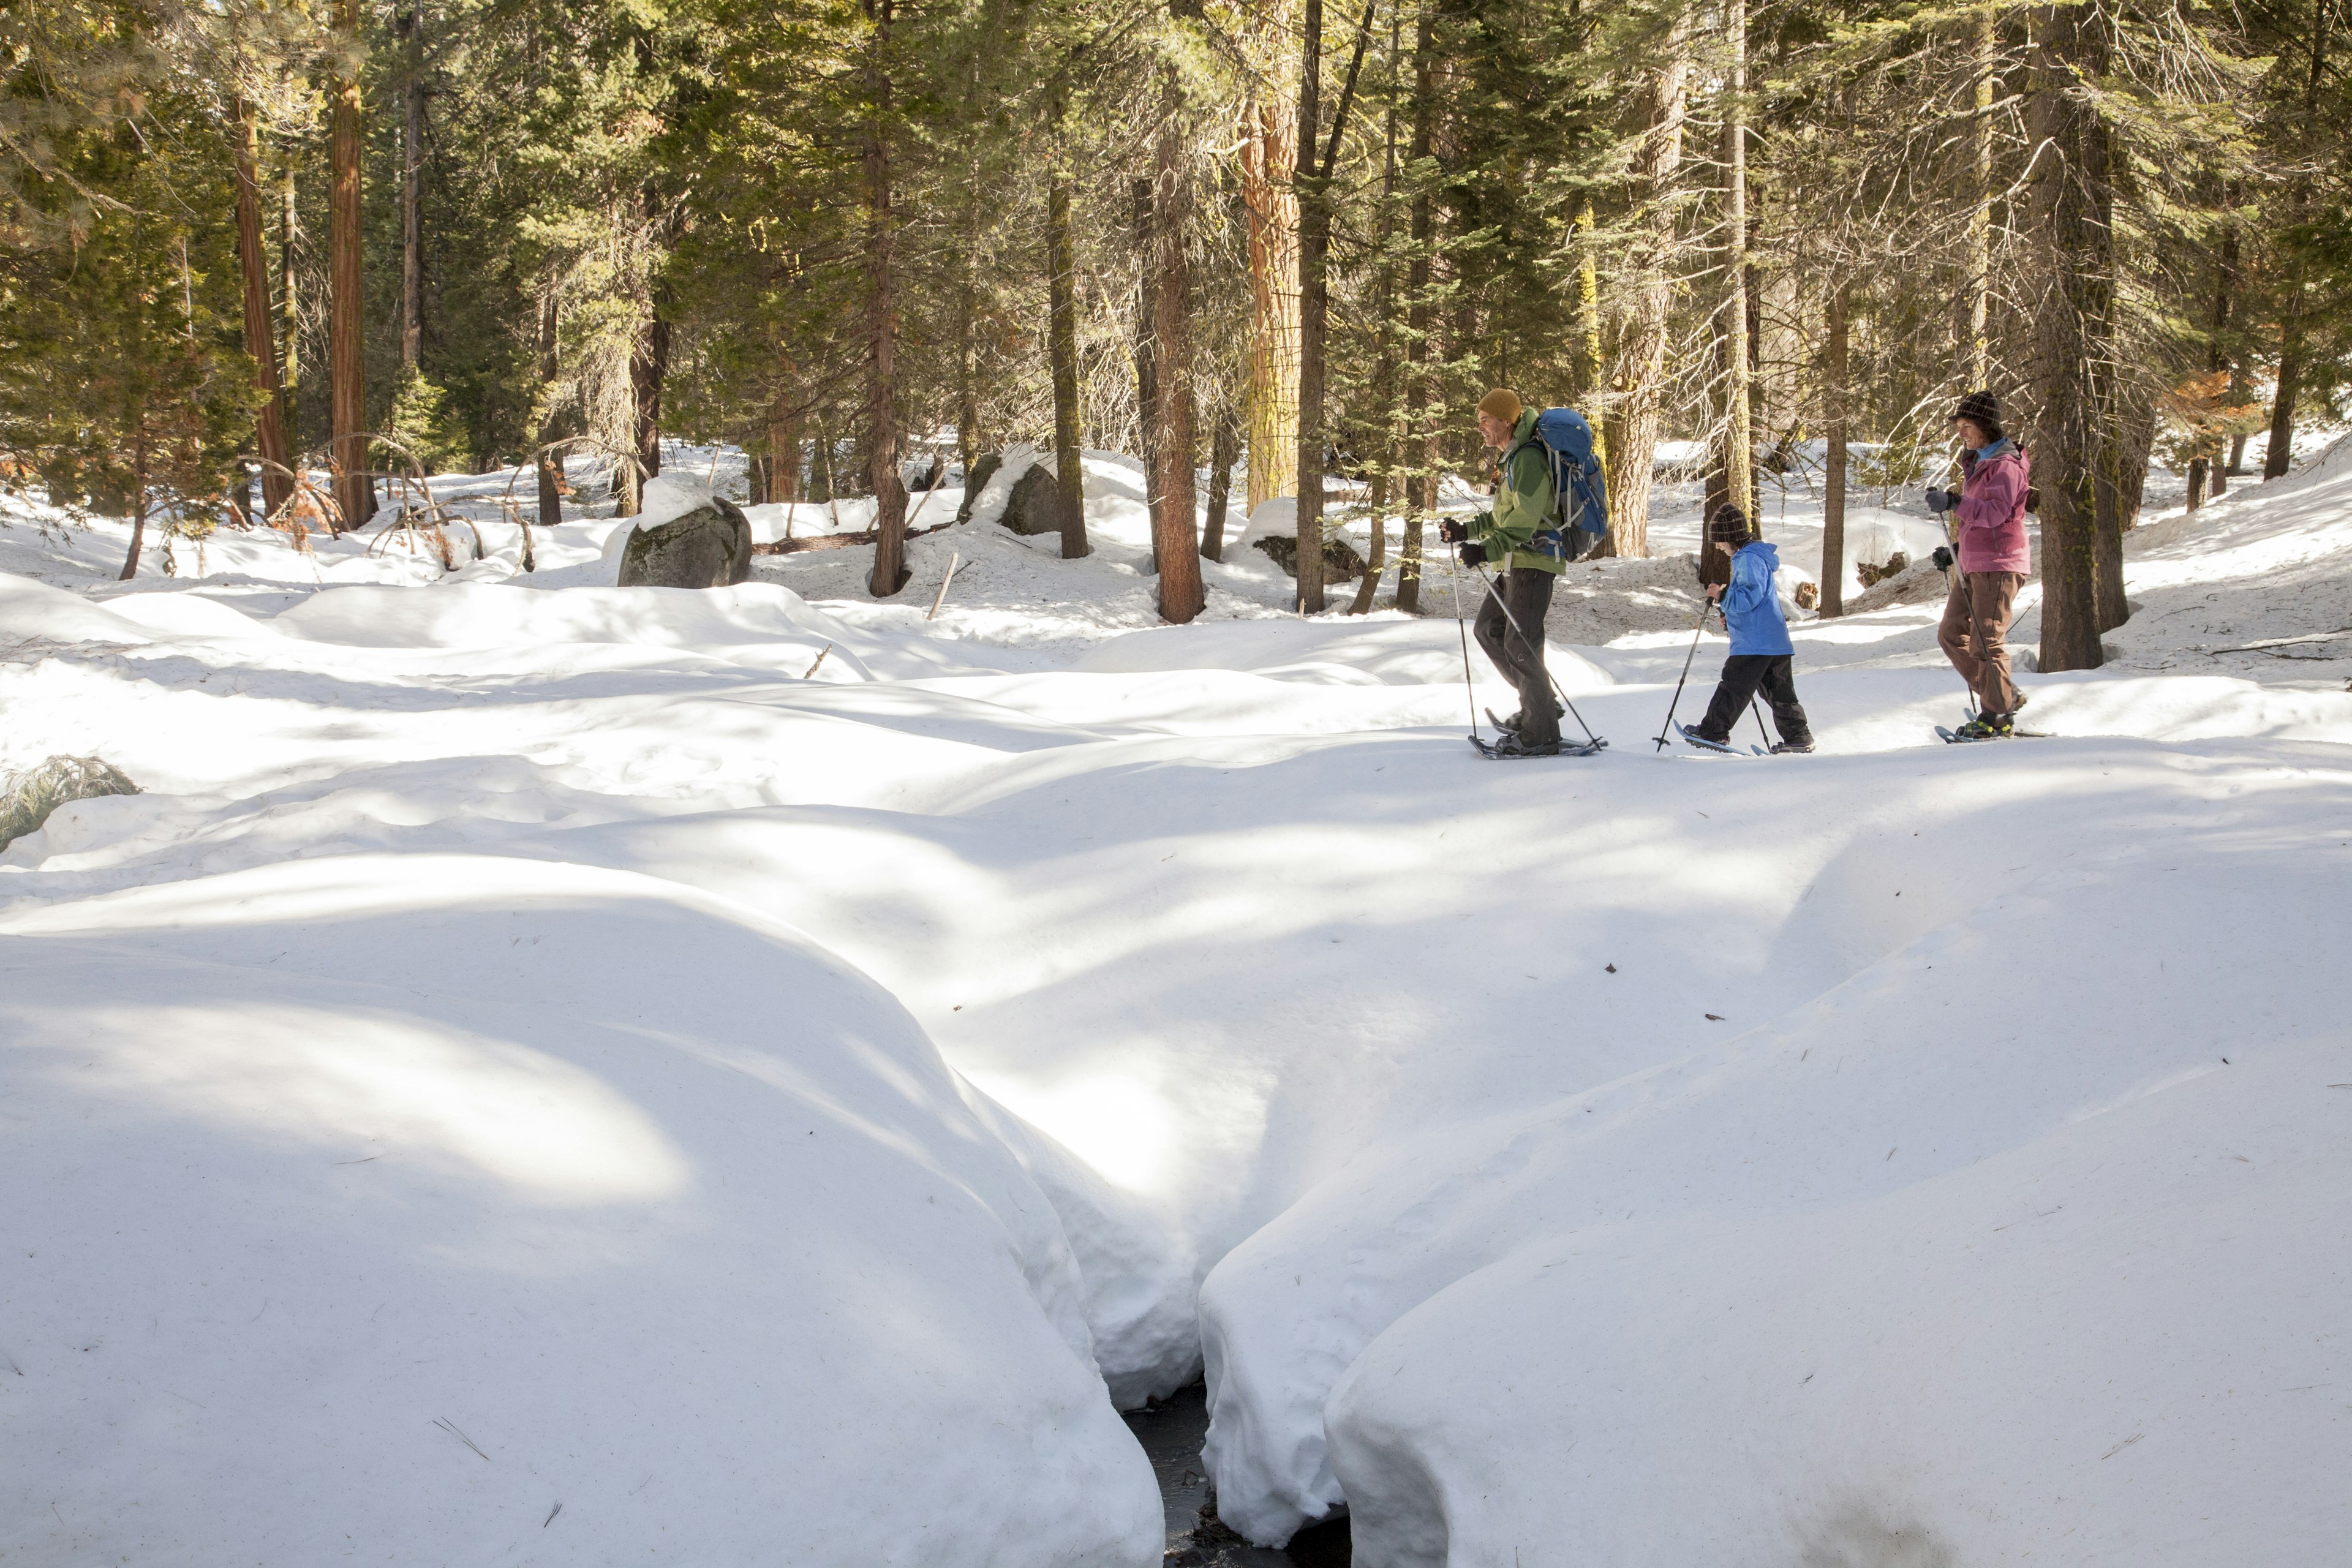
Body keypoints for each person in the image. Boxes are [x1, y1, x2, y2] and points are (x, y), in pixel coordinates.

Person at [1437, 388, 1568, 756]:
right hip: (1513, 563)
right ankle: (1539, 706)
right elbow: (1501, 518)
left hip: (1532, 563)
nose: (1479, 426)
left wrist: (1486, 549)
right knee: (1488, 630)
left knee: (1519, 645)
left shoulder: (1528, 460)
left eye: (1485, 419)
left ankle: (1540, 734)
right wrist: (1467, 532)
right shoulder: (1512, 460)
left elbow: (1524, 524)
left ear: (1506, 420)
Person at [1926, 389, 2032, 739]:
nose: (1961, 433)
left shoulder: (2005, 466)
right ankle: (2002, 695)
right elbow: (1980, 521)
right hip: (1976, 563)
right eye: (1959, 426)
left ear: (1985, 426)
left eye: (1966, 425)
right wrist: (1956, 549)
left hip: (2000, 565)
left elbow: (1997, 514)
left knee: (1986, 641)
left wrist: (1954, 502)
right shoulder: (1982, 463)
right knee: (1951, 635)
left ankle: (1996, 716)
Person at [1679, 502, 1815, 755]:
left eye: (1720, 541)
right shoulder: (1755, 558)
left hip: (1755, 642)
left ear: (1731, 537)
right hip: (1773, 640)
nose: (1718, 547)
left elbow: (1749, 597)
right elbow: (1756, 602)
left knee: (1733, 686)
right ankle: (1799, 737)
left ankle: (1713, 732)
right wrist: (1729, 615)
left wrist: (1722, 595)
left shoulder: (1749, 559)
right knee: (1779, 693)